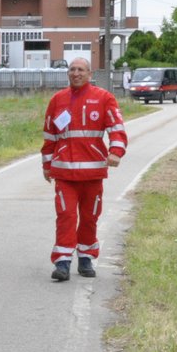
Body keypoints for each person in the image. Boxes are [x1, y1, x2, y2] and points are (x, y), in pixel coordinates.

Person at [41, 56, 127, 281]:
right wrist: (46, 165)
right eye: (72, 69)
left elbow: (117, 127)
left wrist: (116, 152)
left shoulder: (104, 98)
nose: (75, 73)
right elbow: (50, 136)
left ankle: (86, 258)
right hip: (64, 174)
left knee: (89, 217)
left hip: (92, 174)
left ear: (90, 75)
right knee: (66, 216)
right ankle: (62, 262)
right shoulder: (57, 100)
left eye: (80, 70)